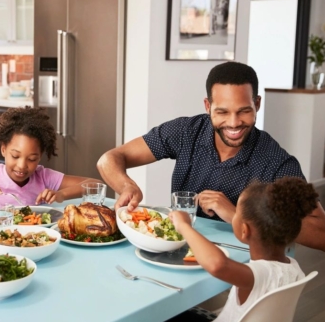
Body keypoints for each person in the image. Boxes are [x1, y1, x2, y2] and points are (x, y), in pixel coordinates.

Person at [97, 61, 325, 251]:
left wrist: (238, 215)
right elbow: (110, 158)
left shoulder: (276, 162)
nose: (234, 123)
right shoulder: (186, 131)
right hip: (176, 251)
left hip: (237, 269)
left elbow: (321, 232)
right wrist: (126, 186)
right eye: (222, 112)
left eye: (244, 111)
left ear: (257, 104)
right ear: (208, 106)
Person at [153, 177, 318, 322]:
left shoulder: (259, 274)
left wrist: (184, 226)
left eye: (237, 213)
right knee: (164, 318)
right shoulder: (292, 267)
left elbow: (218, 264)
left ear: (245, 230)